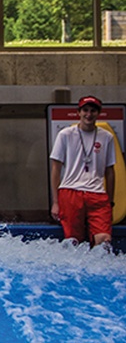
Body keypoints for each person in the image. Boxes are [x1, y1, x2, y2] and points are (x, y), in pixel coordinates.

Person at [49, 95, 116, 248]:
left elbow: (110, 171)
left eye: (93, 111)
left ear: (98, 113)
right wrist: (55, 202)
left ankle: (100, 270)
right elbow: (55, 169)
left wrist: (110, 202)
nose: (89, 114)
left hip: (97, 194)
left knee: (104, 241)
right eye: (85, 110)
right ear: (78, 112)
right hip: (70, 192)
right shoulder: (65, 135)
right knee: (74, 242)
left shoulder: (107, 137)